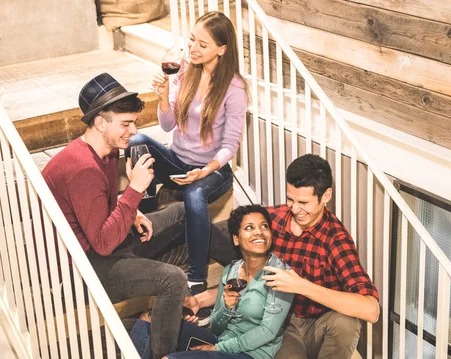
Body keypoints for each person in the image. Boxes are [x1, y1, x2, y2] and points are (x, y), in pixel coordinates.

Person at [42, 73, 190, 359]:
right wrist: (134, 191)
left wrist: (130, 211)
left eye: (133, 122)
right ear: (100, 122)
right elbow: (103, 243)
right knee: (172, 280)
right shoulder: (82, 168)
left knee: (182, 212)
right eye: (125, 123)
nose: (133, 130)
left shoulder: (107, 152)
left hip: (102, 241)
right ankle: (165, 356)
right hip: (84, 267)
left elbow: (100, 211)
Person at [128, 10, 248, 296]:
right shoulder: (183, 71)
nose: (193, 48)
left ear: (222, 49)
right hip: (178, 161)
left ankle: (196, 277)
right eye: (192, 40)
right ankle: (142, 222)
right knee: (137, 141)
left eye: (202, 44)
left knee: (195, 193)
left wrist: (206, 170)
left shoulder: (234, 88)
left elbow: (231, 144)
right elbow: (168, 125)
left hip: (212, 170)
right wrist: (163, 96)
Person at [130, 205, 294, 359]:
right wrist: (226, 308)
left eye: (264, 226)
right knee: (148, 324)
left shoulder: (280, 274)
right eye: (249, 227)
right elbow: (216, 327)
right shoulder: (231, 270)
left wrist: (219, 349)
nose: (259, 232)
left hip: (250, 354)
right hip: (220, 342)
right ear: (236, 239)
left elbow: (268, 331)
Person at [262, 154, 380, 359]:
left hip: (319, 326)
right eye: (290, 199)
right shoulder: (272, 218)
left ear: (326, 196)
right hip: (282, 325)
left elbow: (371, 310)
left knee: (346, 323)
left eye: (304, 202)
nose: (295, 209)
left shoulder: (336, 239)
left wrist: (301, 286)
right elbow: (236, 244)